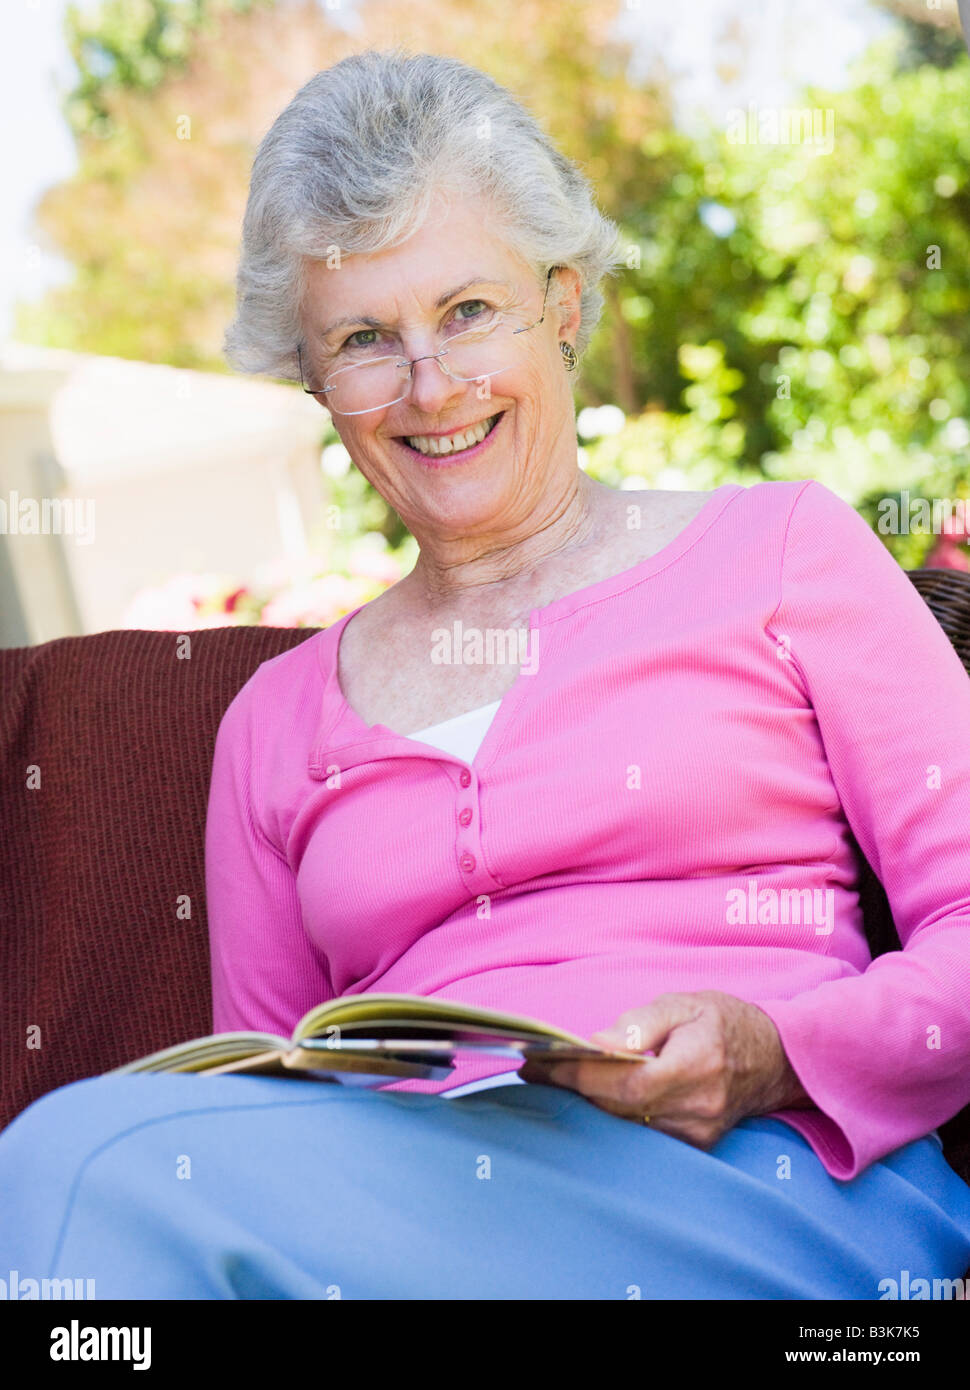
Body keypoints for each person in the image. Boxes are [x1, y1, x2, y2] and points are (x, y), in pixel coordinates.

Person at [2, 48, 970, 1301]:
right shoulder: (272, 721)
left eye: (468, 311)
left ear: (562, 306)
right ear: (315, 385)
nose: (430, 386)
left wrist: (774, 1049)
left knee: (66, 1165)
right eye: (362, 339)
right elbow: (257, 1102)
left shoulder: (782, 552)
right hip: (408, 1224)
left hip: (765, 1184)